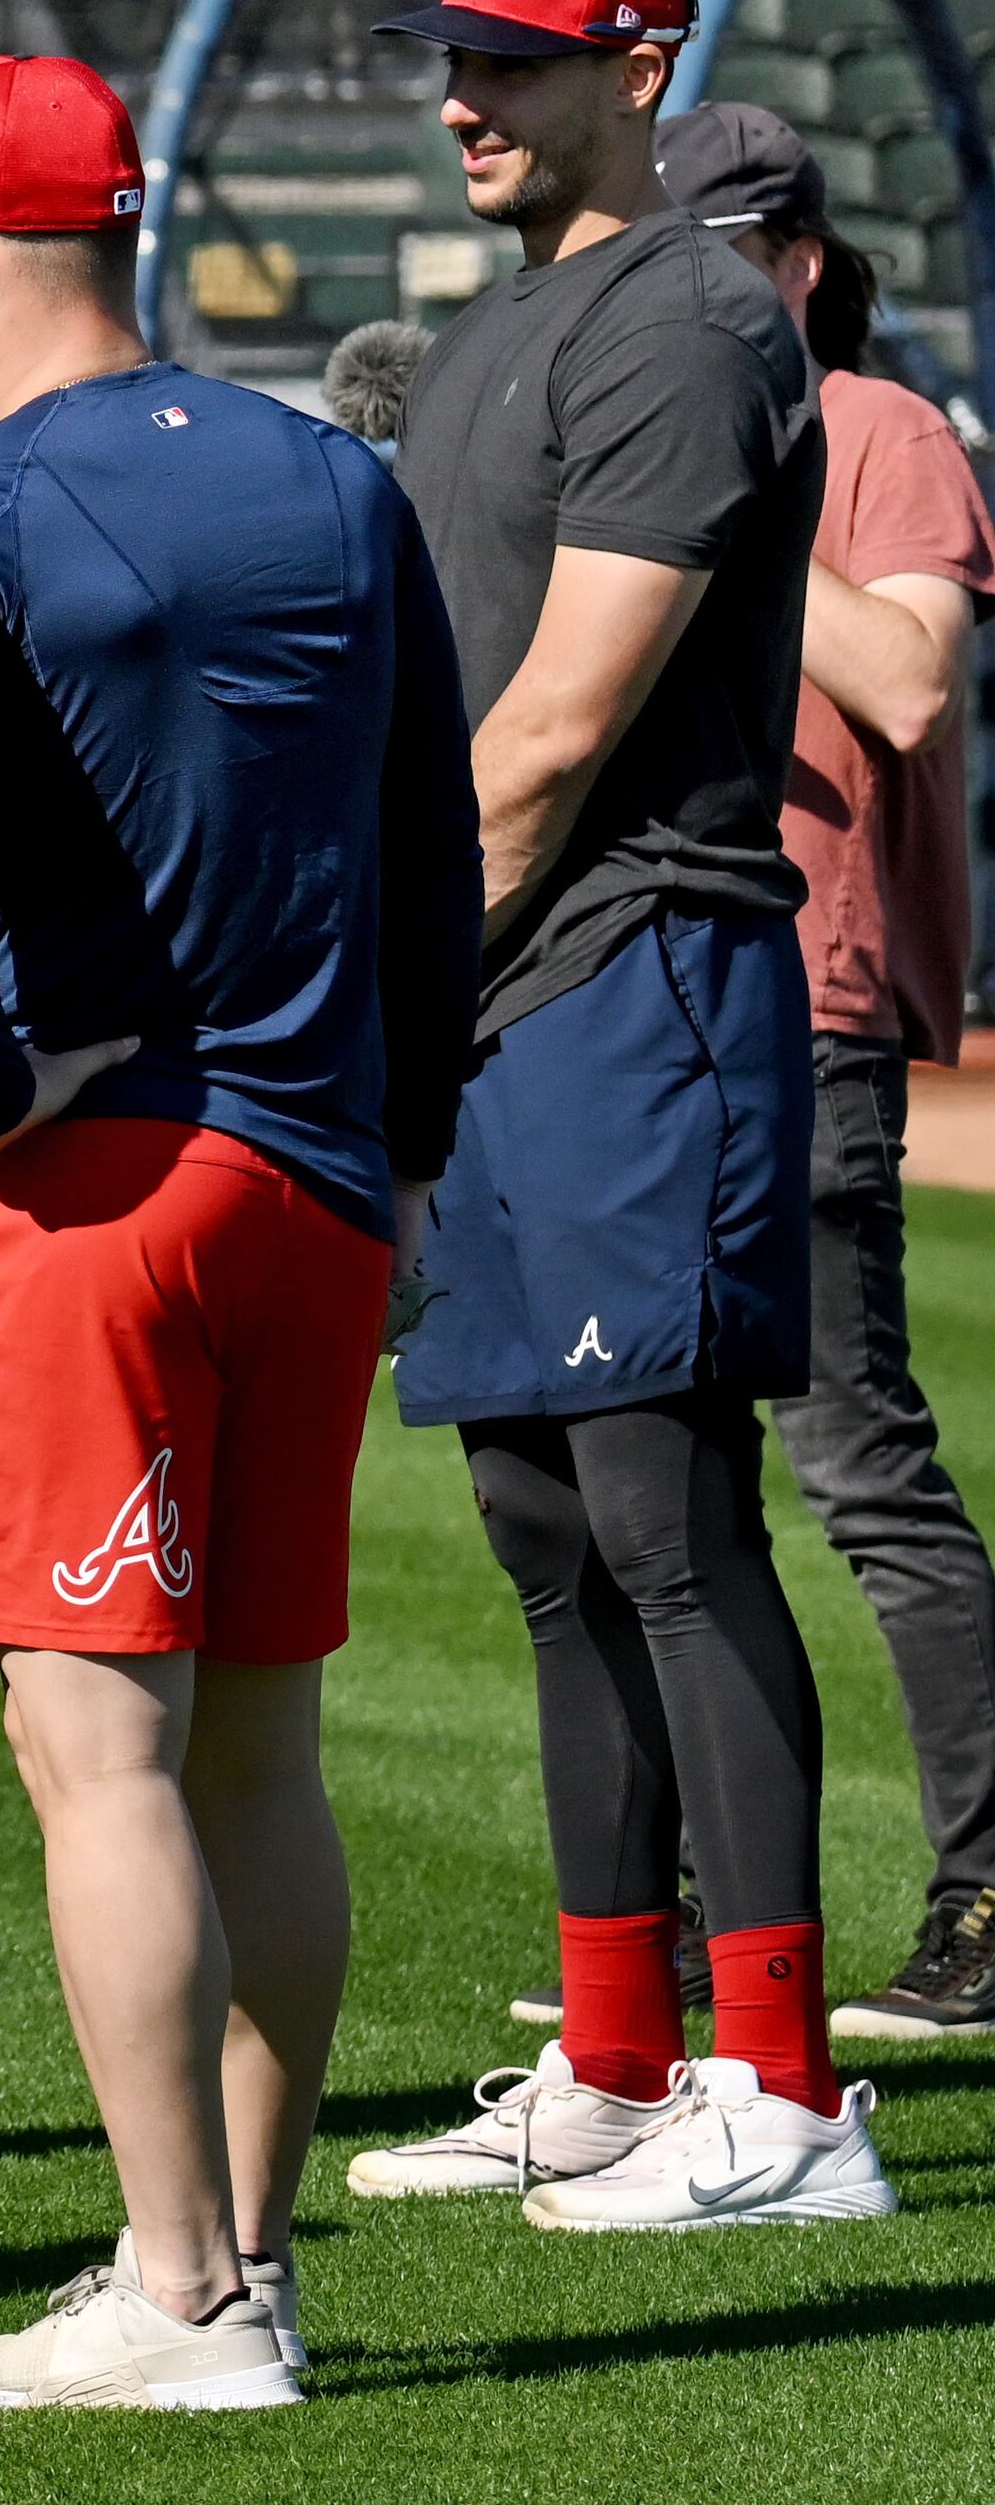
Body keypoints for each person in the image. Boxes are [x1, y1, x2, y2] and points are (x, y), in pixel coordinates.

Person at [0, 54, 481, 2408]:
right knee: (264, 1755)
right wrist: (407, 1151)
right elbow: (437, 849)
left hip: (98, 1189)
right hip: (322, 1182)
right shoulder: (333, 476)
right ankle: (251, 2268)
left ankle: (182, 2291)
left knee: (97, 1749)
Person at [355, 0, 898, 2228]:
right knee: (548, 1532)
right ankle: (612, 2053)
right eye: (454, 52)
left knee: (675, 1530)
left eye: (523, 56)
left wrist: (360, 1002)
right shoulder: (502, 328)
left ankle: (785, 2096)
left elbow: (555, 732)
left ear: (642, 64)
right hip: (505, 1001)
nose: (469, 91)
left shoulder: (685, 316)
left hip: (637, 970)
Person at [657, 102, 995, 2042]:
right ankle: (682, 1921)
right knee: (653, 1490)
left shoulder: (873, 430)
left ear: (794, 264)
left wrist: (717, 500)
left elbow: (908, 681)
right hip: (634, 994)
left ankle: (986, 1886)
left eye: (721, 260)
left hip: (812, 993)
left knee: (859, 1466)